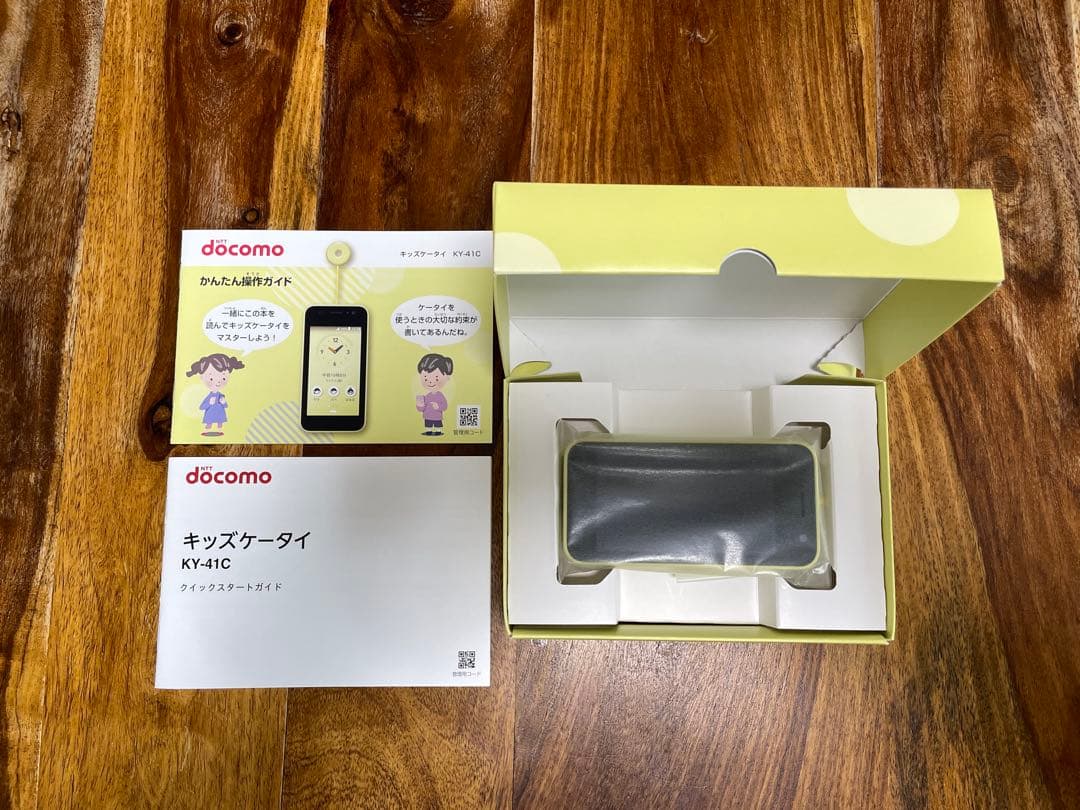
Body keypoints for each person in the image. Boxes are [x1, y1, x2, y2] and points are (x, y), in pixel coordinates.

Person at [186, 353, 244, 436]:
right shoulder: (209, 397)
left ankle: (220, 431)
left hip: (220, 413)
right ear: (202, 377)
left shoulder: (221, 396)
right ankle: (207, 431)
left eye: (223, 378)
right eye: (211, 378)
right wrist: (209, 403)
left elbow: (226, 406)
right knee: (209, 423)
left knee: (220, 423)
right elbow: (202, 407)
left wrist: (223, 402)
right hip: (210, 414)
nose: (218, 382)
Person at [414, 353, 453, 436]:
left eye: (436, 378)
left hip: (437, 416)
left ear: (447, 377)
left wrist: (438, 406)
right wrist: (420, 405)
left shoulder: (440, 395)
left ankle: (438, 431)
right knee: (428, 424)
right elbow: (421, 409)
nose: (430, 382)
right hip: (427, 416)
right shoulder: (427, 396)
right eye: (425, 378)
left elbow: (445, 406)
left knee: (437, 424)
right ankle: (428, 431)